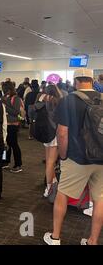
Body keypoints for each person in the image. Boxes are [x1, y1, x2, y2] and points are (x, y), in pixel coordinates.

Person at [44, 68, 103, 245]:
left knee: (62, 194)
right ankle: (92, 240)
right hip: (101, 156)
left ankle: (55, 237)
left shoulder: (68, 100)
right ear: (92, 81)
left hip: (77, 157)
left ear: (76, 81)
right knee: (99, 199)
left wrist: (63, 156)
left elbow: (62, 133)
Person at [37, 85, 63, 198]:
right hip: (55, 134)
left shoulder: (41, 100)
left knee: (49, 161)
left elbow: (33, 110)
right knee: (51, 162)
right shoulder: (58, 101)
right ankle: (49, 188)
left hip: (45, 133)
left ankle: (51, 183)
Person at [2, 81, 25, 173]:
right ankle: (4, 162)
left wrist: (5, 105)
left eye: (5, 90)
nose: (4, 92)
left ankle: (18, 164)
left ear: (9, 89)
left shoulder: (16, 99)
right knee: (5, 144)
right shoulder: (6, 98)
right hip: (5, 124)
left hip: (12, 124)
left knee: (14, 145)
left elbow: (16, 112)